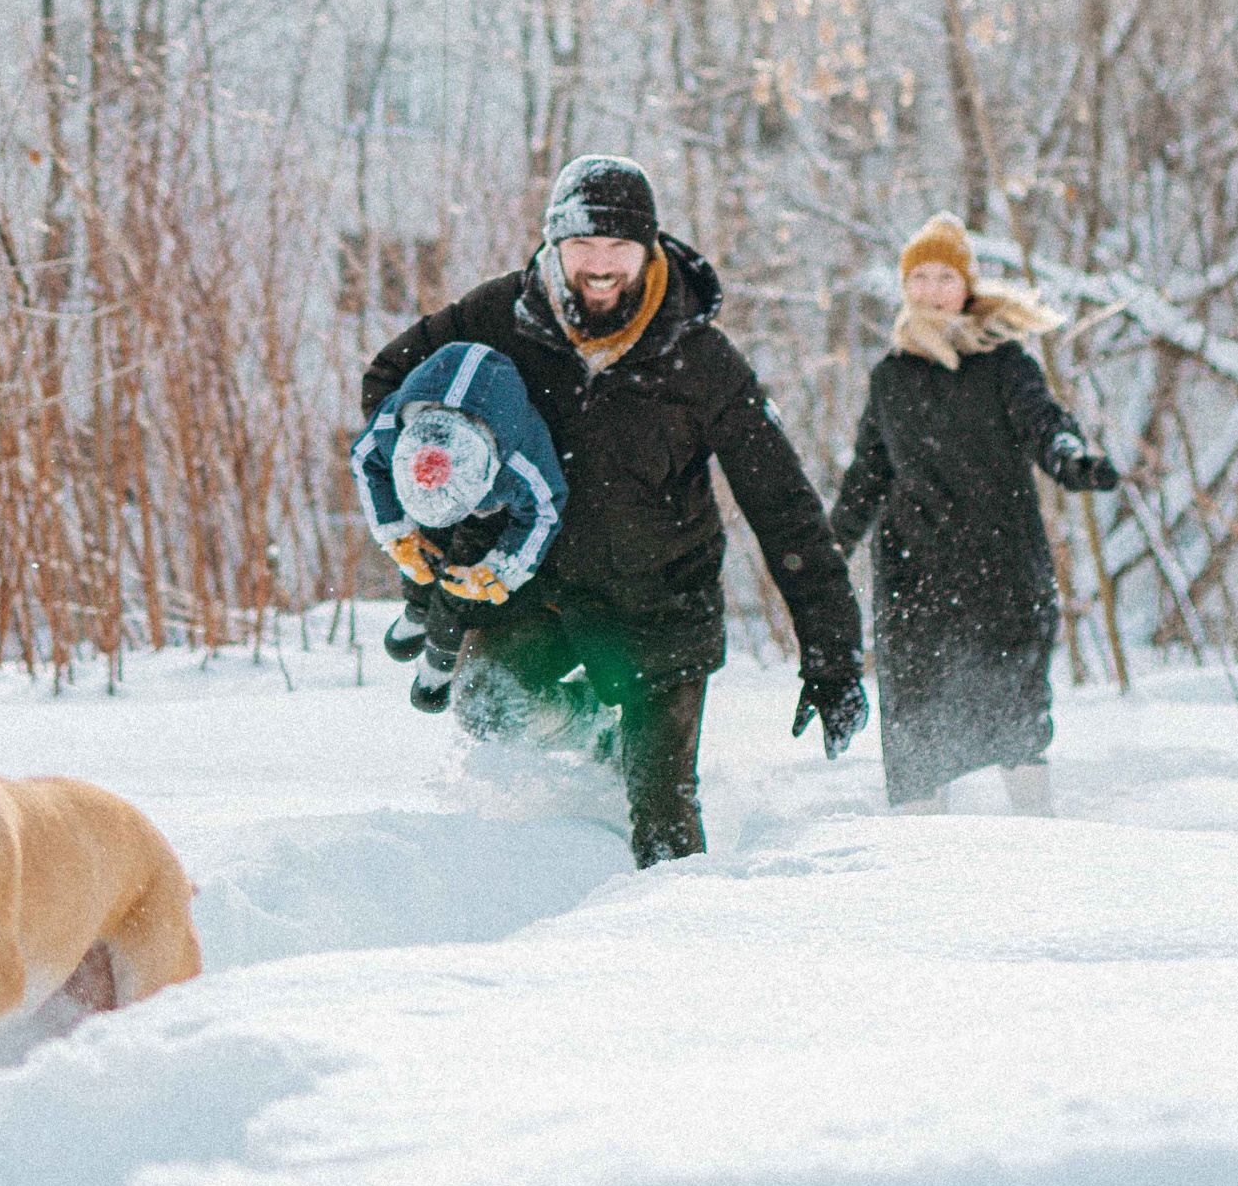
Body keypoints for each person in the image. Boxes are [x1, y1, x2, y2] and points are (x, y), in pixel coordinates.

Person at [356, 153, 869, 866]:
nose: (600, 264)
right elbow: (389, 381)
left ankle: (672, 949)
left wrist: (832, 652)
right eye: (582, 245)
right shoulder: (497, 317)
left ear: (649, 248)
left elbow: (781, 504)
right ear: (554, 246)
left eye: (619, 246)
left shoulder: (701, 358)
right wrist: (444, 484)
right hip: (538, 591)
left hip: (661, 606)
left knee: (662, 818)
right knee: (489, 706)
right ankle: (595, 738)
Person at [830, 212, 1120, 817]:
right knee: (915, 723)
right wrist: (828, 549)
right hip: (915, 577)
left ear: (967, 287)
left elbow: (1045, 424)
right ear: (906, 286)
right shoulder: (891, 377)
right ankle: (919, 859)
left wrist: (1071, 459)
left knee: (1015, 713)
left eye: (945, 277)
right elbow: (869, 472)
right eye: (921, 277)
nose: (932, 289)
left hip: (1000, 570)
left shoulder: (1004, 364)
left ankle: (1041, 841)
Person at [349, 336, 569, 707]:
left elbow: (545, 510)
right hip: (431, 476)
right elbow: (363, 461)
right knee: (423, 549)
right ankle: (418, 608)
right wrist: (396, 533)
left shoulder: (520, 463)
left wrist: (501, 570)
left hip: (491, 504)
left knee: (461, 575)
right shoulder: (390, 431)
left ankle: (439, 658)